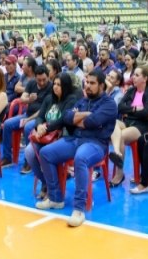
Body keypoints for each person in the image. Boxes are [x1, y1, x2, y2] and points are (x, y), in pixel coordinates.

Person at [35, 71, 118, 227]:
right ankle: (55, 198)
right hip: (74, 139)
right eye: (87, 82)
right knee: (45, 153)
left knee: (81, 158)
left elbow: (93, 121)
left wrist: (78, 118)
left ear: (101, 85)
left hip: (96, 144)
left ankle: (79, 209)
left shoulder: (109, 104)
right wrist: (85, 114)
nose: (88, 85)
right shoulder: (82, 101)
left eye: (92, 83)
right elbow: (66, 118)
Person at [25, 73, 80, 199]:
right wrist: (39, 126)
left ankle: (53, 189)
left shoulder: (71, 99)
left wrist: (45, 128)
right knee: (29, 152)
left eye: (59, 85)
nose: (55, 87)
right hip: (45, 135)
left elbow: (63, 120)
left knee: (46, 153)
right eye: (54, 84)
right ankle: (45, 182)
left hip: (62, 136)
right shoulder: (49, 98)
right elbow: (40, 116)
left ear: (65, 86)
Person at [108, 67, 148, 187]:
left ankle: (119, 174)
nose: (133, 77)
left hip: (142, 125)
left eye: (136, 75)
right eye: (133, 75)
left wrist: (129, 111)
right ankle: (117, 152)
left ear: (145, 78)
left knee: (121, 135)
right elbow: (120, 107)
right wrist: (136, 109)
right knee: (113, 123)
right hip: (128, 121)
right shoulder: (131, 91)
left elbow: (147, 112)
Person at [0, 64, 52, 169]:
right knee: (8, 124)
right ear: (35, 77)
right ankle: (7, 158)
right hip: (27, 115)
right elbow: (22, 98)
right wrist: (29, 100)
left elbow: (43, 110)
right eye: (39, 80)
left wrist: (28, 119)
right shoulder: (32, 83)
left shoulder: (51, 87)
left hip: (40, 118)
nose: (41, 82)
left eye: (44, 80)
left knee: (28, 127)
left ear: (48, 77)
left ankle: (29, 161)